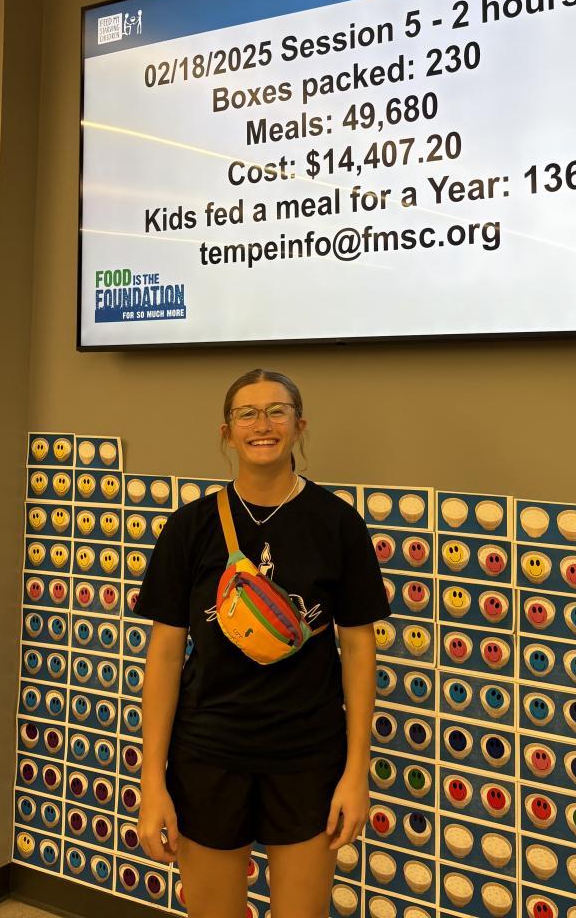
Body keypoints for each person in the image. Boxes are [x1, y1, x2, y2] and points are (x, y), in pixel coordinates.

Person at [134, 368, 391, 917]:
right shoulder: (189, 528)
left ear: (300, 426)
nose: (262, 425)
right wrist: (152, 780)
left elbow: (359, 649)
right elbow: (164, 656)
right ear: (227, 433)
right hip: (207, 753)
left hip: (308, 755)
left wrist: (356, 771)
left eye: (277, 411)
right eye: (246, 414)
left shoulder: (337, 524)